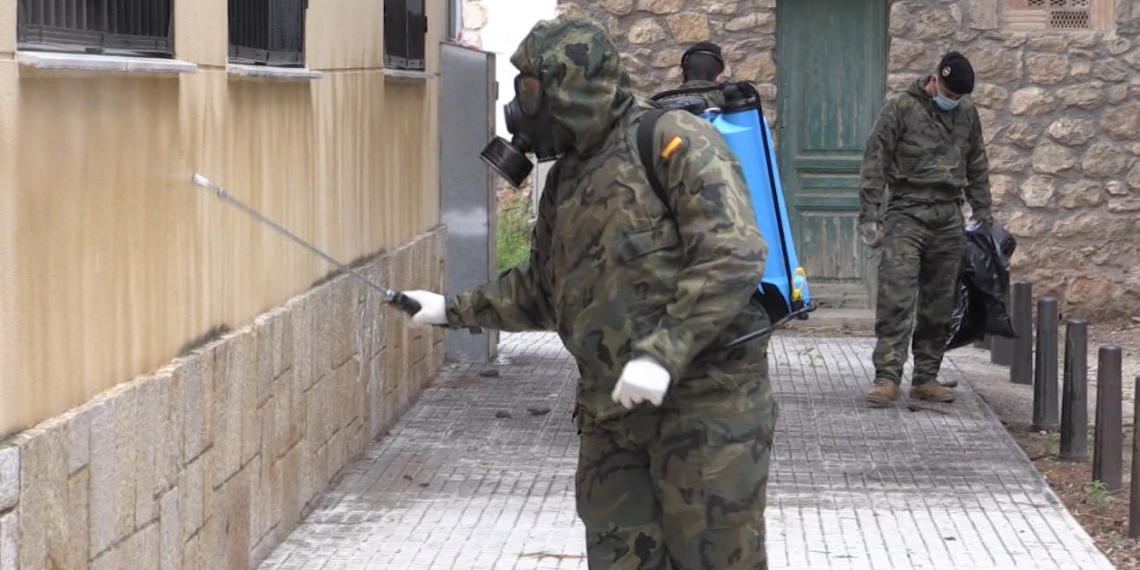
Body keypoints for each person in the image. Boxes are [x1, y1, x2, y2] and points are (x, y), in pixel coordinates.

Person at [400, 13, 777, 570]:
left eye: (532, 89)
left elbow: (733, 253)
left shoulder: (672, 141)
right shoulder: (568, 179)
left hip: (706, 413)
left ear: (573, 85)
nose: (522, 106)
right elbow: (543, 289)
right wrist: (448, 310)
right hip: (612, 415)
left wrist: (663, 353)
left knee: (716, 559)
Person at [858, 51, 994, 407]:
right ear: (935, 79)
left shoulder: (967, 113)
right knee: (897, 298)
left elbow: (977, 163)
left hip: (948, 214)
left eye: (958, 96)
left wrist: (983, 213)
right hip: (907, 211)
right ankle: (887, 378)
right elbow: (875, 159)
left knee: (940, 302)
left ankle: (925, 377)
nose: (953, 100)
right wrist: (869, 214)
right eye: (949, 93)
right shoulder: (900, 108)